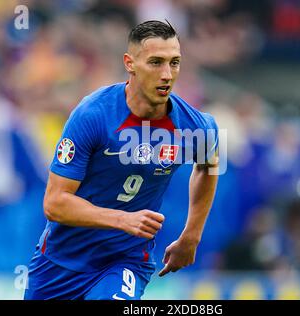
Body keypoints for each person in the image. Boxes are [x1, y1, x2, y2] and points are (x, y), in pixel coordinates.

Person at [24, 20, 219, 300]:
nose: (167, 74)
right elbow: (55, 204)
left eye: (174, 63)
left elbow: (209, 165)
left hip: (124, 260)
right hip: (59, 262)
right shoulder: (93, 115)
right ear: (130, 63)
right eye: (156, 62)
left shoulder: (196, 125)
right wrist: (121, 219)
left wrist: (192, 235)